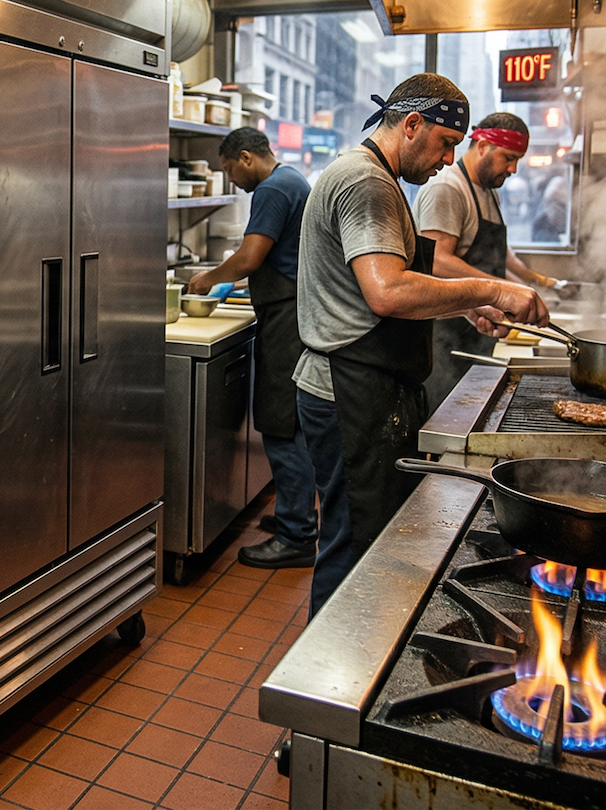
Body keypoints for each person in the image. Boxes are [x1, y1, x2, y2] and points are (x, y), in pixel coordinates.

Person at [293, 75, 549, 616]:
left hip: (363, 384)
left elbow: (392, 283)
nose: (448, 158)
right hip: (348, 391)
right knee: (355, 546)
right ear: (412, 124)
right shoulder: (366, 182)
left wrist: (463, 306)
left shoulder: (373, 176)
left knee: (363, 537)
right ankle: (333, 663)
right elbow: (386, 292)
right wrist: (493, 290)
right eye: (446, 143)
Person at [185, 127, 317, 569]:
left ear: (246, 157)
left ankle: (297, 536)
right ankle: (296, 517)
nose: (230, 180)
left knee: (282, 426)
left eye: (228, 169)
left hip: (287, 322)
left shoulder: (272, 189)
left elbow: (250, 257)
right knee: (292, 425)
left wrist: (207, 280)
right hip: (295, 315)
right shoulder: (293, 179)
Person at [415, 113, 570, 406]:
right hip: (447, 335)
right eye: (508, 158)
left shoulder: (488, 190)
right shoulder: (448, 188)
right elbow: (436, 261)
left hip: (479, 326)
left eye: (517, 160)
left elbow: (497, 256)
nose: (513, 169)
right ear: (483, 146)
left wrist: (529, 284)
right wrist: (502, 290)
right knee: (447, 413)